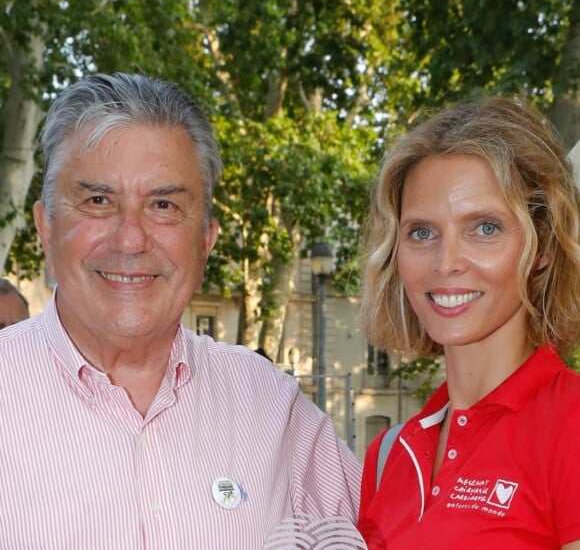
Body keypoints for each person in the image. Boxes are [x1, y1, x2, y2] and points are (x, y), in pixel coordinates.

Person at [0, 73, 361, 548]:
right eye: (98, 201)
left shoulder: (273, 409)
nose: (130, 238)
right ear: (45, 227)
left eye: (164, 205)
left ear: (206, 240)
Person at [357, 97, 580, 549]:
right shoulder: (388, 455)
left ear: (541, 248)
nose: (446, 262)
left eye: (484, 228)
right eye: (422, 232)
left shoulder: (570, 424)